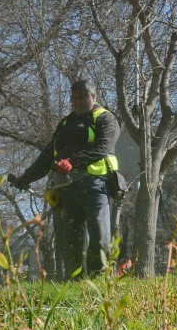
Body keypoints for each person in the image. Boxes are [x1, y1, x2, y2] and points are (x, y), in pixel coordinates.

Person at [9, 80, 121, 278]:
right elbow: (47, 156)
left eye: (83, 97)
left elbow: (102, 148)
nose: (78, 102)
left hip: (95, 185)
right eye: (75, 98)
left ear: (93, 97)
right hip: (67, 187)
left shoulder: (104, 118)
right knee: (72, 239)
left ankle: (99, 280)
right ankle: (76, 282)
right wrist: (25, 179)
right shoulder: (65, 123)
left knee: (100, 235)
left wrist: (72, 162)